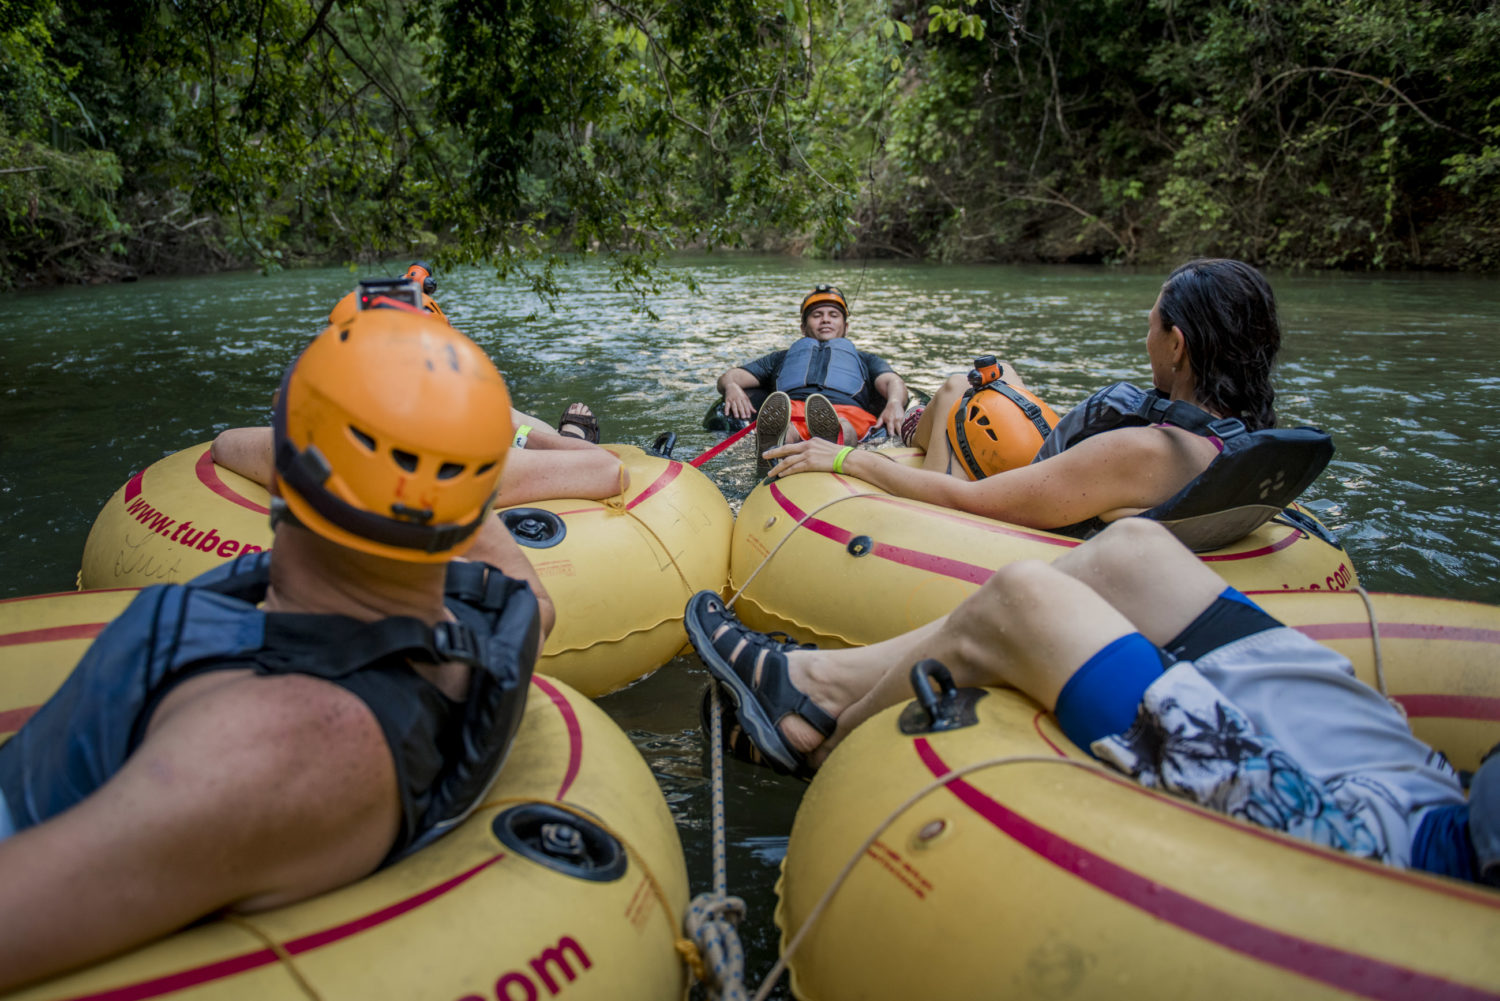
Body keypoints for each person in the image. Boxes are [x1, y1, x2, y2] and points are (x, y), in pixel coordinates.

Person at [0, 307, 554, 991]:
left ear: (282, 470)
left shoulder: (275, 747)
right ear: (479, 504)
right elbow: (532, 595)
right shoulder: (493, 615)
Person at [686, 517, 1500, 886]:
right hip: (1431, 790)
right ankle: (829, 676)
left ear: (1174, 343)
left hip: (1411, 861)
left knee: (1023, 602)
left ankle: (816, 726)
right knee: (1136, 549)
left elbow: (1024, 492)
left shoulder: (1149, 436)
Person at [762, 260, 1301, 538]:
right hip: (1076, 476)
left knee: (956, 389)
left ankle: (906, 430)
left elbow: (970, 505)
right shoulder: (1242, 439)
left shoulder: (1143, 451)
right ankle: (913, 425)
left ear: (1177, 346)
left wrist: (842, 459)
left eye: (1152, 328)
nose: (1147, 340)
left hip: (986, 503)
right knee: (998, 378)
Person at [213, 280, 626, 507]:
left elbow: (224, 444)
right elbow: (610, 470)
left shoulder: (299, 455)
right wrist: (519, 431)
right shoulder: (476, 475)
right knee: (513, 421)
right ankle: (563, 437)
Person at [716, 284, 909, 477]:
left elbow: (893, 382)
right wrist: (732, 387)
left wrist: (894, 403)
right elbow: (731, 376)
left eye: (833, 315)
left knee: (843, 426)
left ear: (846, 326)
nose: (825, 320)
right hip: (791, 410)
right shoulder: (781, 358)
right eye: (817, 315)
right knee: (787, 429)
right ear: (803, 327)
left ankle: (831, 447)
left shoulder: (865, 359)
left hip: (847, 412)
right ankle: (773, 452)